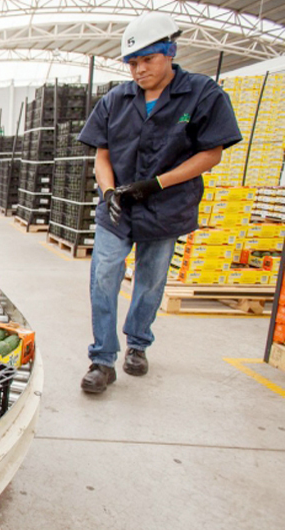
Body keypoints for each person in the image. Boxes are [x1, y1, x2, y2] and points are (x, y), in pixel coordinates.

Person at [76, 12, 241, 393]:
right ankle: (102, 359)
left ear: (170, 52)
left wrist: (157, 184)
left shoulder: (202, 94)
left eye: (147, 60)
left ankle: (138, 343)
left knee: (150, 281)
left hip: (166, 206)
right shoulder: (116, 100)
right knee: (103, 276)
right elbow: (101, 153)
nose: (138, 70)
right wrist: (108, 192)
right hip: (118, 208)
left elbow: (211, 153)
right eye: (132, 63)